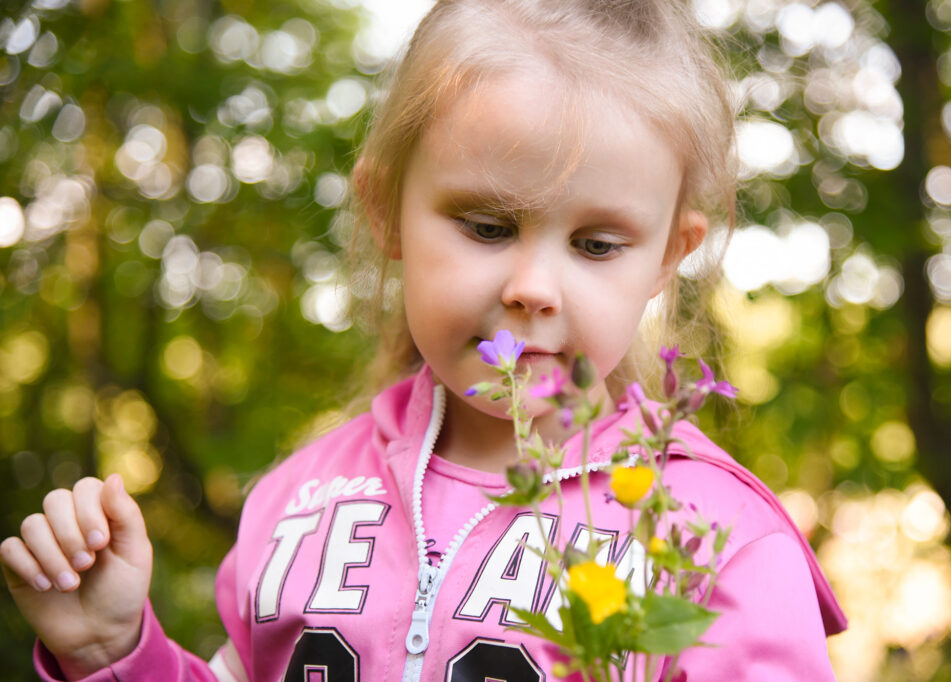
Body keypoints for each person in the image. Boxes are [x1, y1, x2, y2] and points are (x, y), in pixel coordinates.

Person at [1, 1, 847, 680]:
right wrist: (117, 657)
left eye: (596, 246)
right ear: (385, 212)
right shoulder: (301, 502)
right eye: (486, 225)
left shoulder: (716, 544)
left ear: (668, 256)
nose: (533, 288)